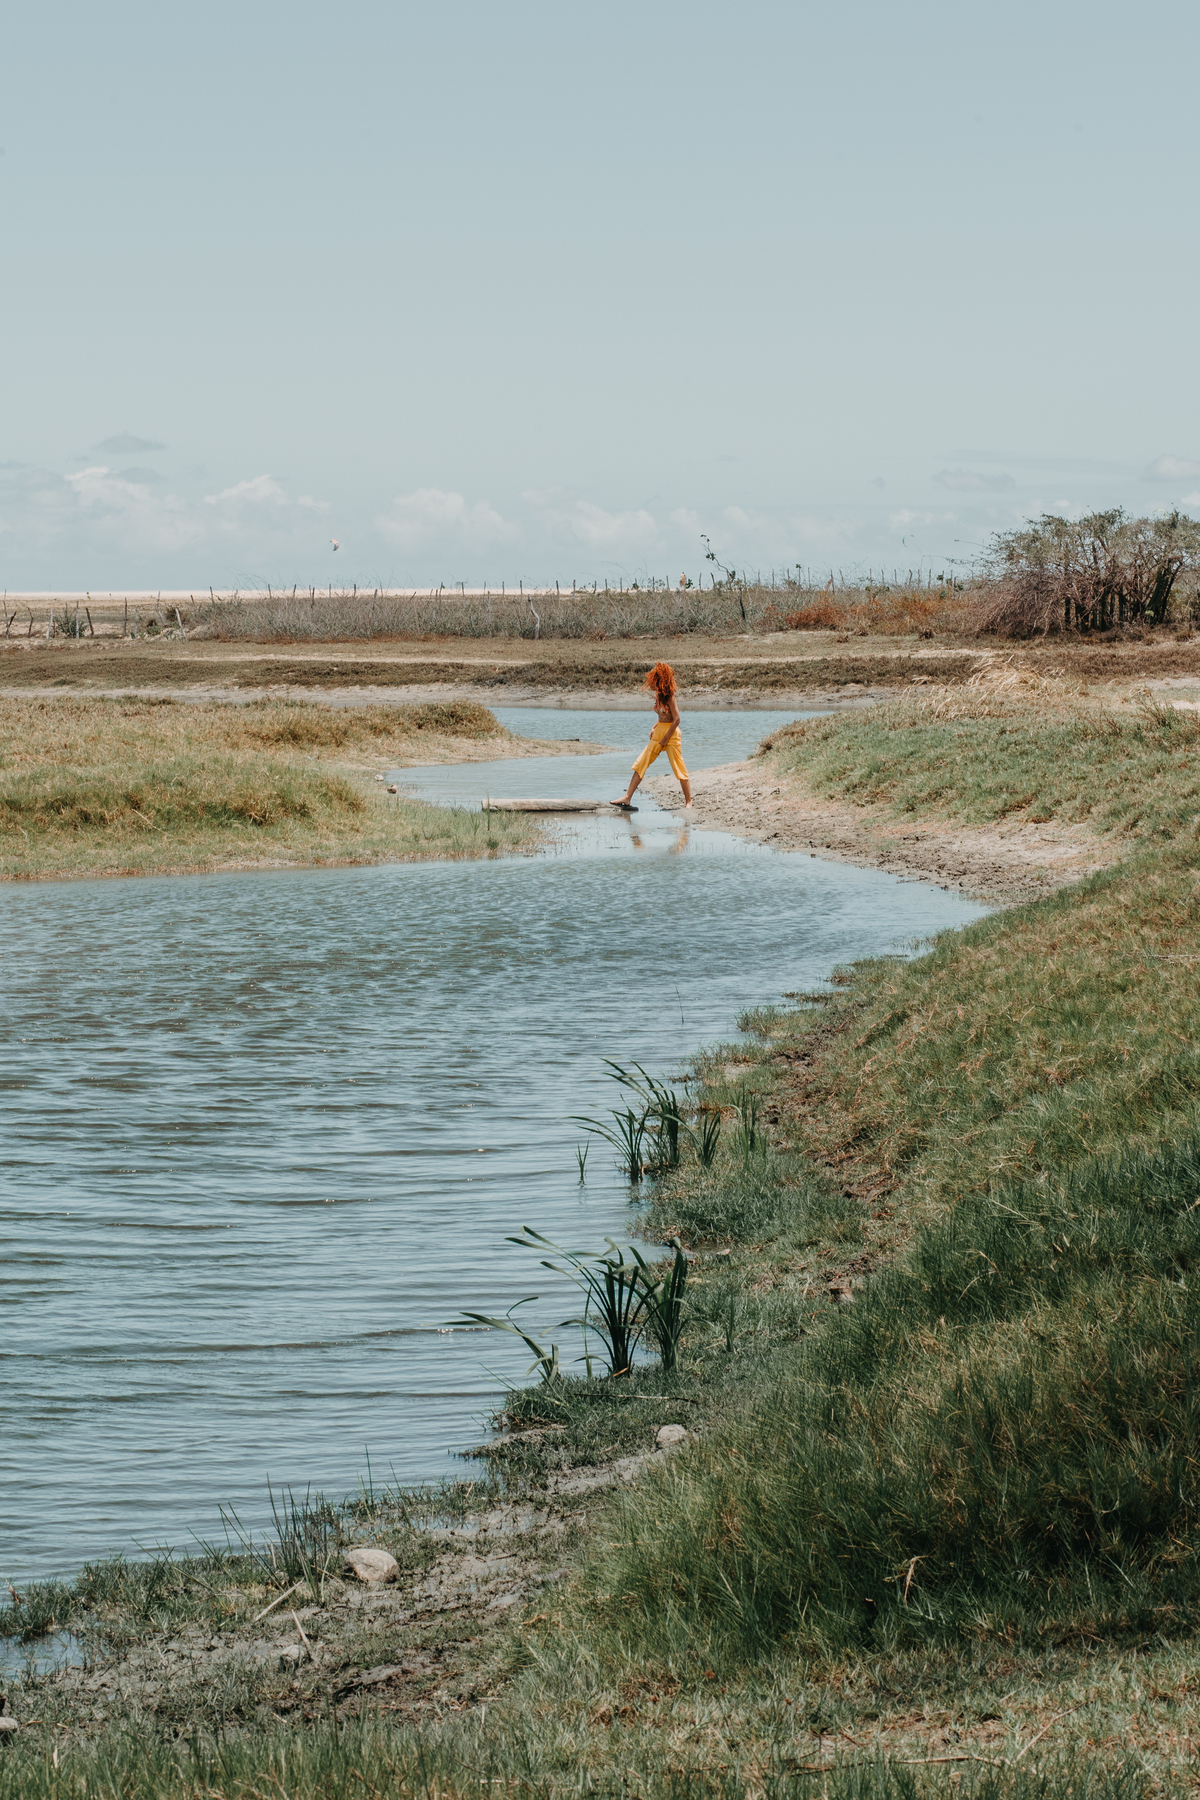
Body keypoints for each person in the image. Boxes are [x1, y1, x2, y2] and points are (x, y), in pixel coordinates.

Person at [612, 661, 692, 810]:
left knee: (678, 767)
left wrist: (666, 738)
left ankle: (688, 802)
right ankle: (627, 797)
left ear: (661, 680)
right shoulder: (658, 696)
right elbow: (662, 716)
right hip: (659, 731)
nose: (651, 683)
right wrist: (653, 727)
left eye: (654, 680)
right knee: (641, 762)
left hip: (671, 734)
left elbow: (676, 719)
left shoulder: (670, 697)